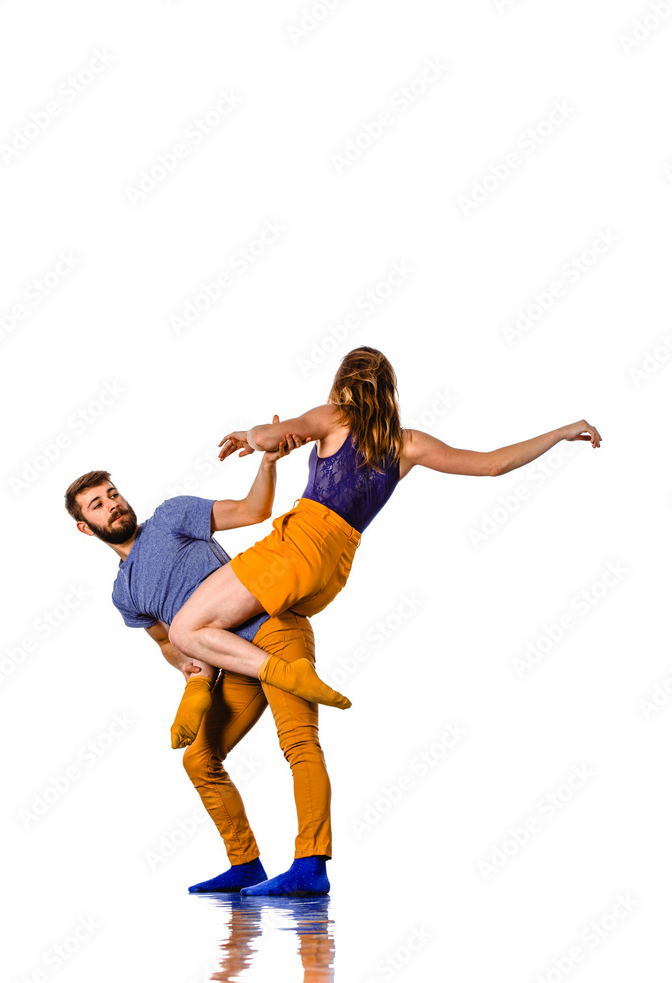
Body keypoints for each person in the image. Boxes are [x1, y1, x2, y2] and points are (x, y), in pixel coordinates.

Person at [167, 346, 602, 747]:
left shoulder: (335, 416)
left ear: (342, 385)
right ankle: (245, 685)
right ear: (389, 392)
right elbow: (492, 465)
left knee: (185, 629)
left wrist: (256, 432)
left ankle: (280, 676)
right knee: (234, 625)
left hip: (296, 549)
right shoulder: (406, 444)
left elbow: (265, 439)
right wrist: (562, 432)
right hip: (330, 574)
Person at [63, 429, 342, 896]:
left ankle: (311, 865)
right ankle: (246, 864)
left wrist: (268, 463)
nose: (112, 504)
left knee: (297, 741)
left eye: (112, 494)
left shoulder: (173, 515)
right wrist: (193, 680)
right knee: (200, 759)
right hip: (230, 666)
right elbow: (169, 646)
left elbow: (254, 510)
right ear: (85, 527)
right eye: (97, 505)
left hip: (271, 631)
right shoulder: (123, 594)